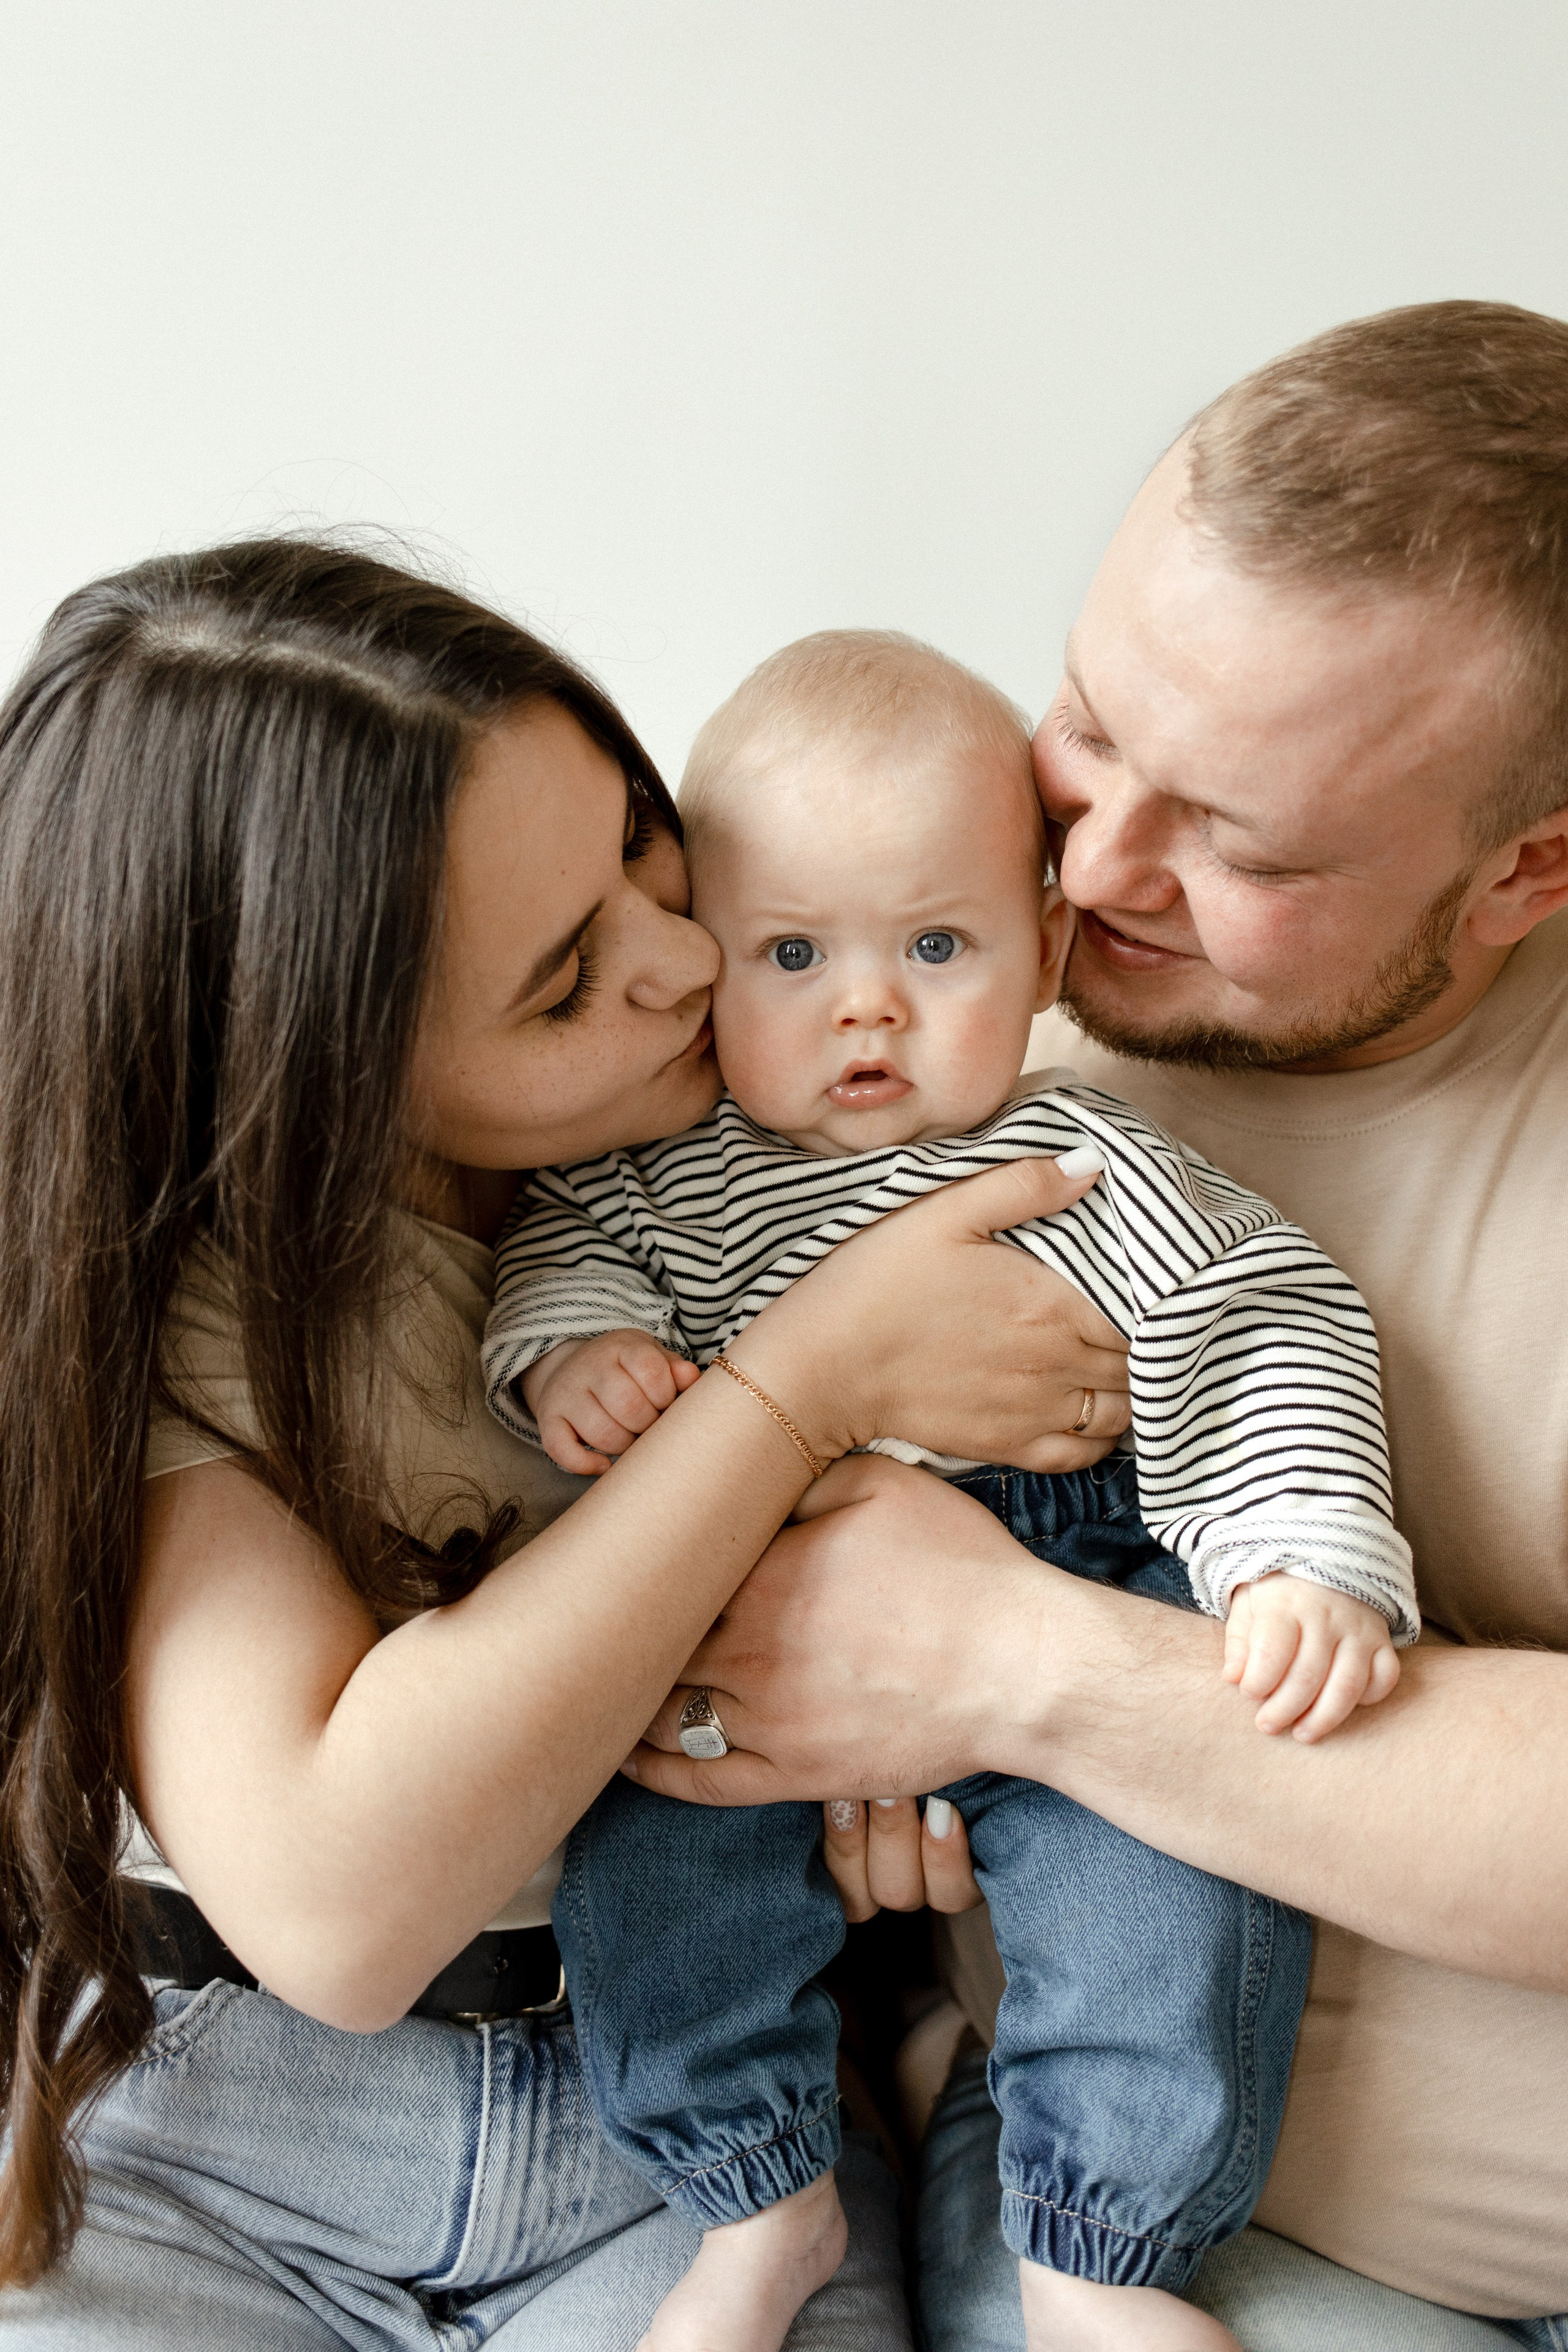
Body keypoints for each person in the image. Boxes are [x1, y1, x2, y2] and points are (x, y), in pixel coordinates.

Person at [0, 540, 1130, 2349]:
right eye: (561, 981)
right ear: (320, 1070)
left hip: (691, 2101)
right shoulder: (164, 1295)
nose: (690, 958)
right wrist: (797, 1384)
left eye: (632, 837)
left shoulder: (834, 1105)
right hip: (214, 2122)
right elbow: (341, 1901)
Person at [623, 300, 1568, 2351]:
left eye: (1238, 838)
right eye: (1094, 717)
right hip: (1071, 2167)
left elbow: (980, 1631)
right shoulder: (901, 988)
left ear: (1532, 869)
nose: (1093, 862)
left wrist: (1010, 1669)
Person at [483, 629, 1417, 2352]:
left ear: (1045, 950)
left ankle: (1092, 2255)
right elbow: (561, 1259)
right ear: (701, 969)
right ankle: (758, 2203)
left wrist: (1297, 1555)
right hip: (739, 1635)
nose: (868, 1006)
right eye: (791, 952)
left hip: (1081, 1579)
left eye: (935, 944)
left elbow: (1262, 1325)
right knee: (648, 1865)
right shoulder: (662, 1179)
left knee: (1174, 1893)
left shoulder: (1087, 1159)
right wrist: (575, 1357)